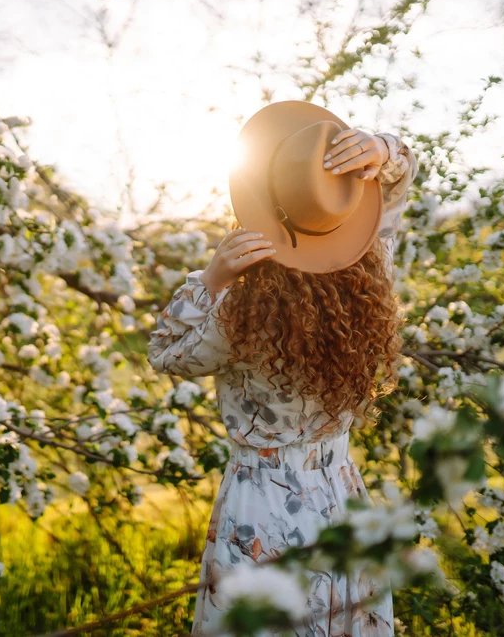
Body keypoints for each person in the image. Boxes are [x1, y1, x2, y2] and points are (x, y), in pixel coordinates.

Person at [147, 100, 420, 637]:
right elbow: (400, 180)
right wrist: (382, 149)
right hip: (339, 491)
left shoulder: (242, 313)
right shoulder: (374, 276)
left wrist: (211, 277)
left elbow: (166, 353)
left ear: (263, 207)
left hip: (264, 502)